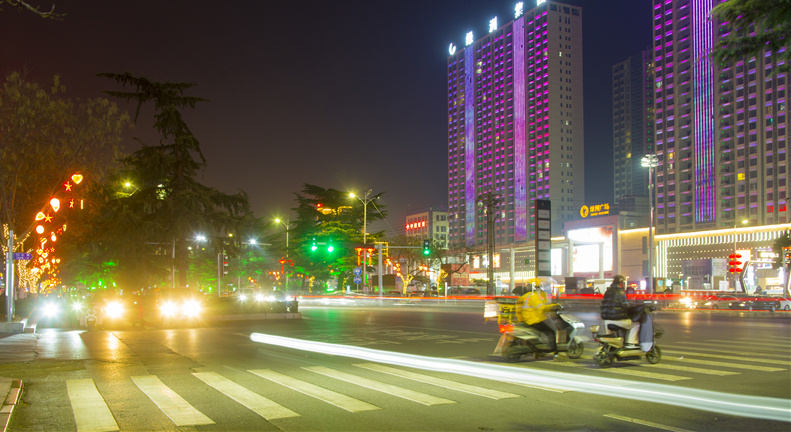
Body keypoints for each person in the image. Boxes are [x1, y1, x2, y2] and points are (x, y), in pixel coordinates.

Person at [516, 280, 561, 359]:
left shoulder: (522, 297)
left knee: (540, 333)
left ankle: (538, 352)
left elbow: (518, 311)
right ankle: (555, 352)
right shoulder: (532, 296)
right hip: (534, 320)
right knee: (551, 332)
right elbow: (541, 308)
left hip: (524, 321)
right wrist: (554, 306)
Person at [600, 275, 641, 347]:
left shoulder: (608, 291)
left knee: (609, 340)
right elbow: (625, 305)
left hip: (606, 320)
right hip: (617, 319)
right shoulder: (620, 292)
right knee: (636, 324)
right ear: (621, 282)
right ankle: (630, 344)